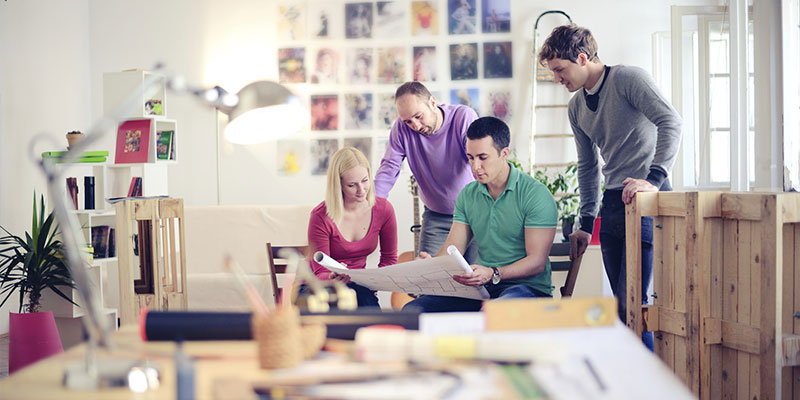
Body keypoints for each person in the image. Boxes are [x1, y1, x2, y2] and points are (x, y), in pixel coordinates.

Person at [539, 25, 682, 348]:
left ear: (582, 57)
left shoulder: (629, 79)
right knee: (619, 308)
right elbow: (588, 166)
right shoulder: (576, 108)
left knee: (632, 304)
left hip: (646, 200)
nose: (557, 79)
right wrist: (585, 224)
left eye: (560, 70)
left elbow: (671, 121)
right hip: (614, 202)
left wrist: (654, 179)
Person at [403, 117, 557, 312]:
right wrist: (430, 266)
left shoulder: (535, 194)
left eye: (483, 158)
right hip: (484, 289)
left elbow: (536, 261)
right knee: (414, 310)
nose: (475, 167)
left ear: (504, 154)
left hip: (529, 290)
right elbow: (453, 247)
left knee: (490, 313)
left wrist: (493, 273)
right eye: (470, 157)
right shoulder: (468, 195)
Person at [374, 81, 478, 264]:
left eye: (418, 116)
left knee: (477, 282)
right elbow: (389, 167)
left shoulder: (463, 117)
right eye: (408, 121)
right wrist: (371, 207)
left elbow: (479, 163)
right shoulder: (401, 128)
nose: (414, 125)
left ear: (432, 102)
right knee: (428, 277)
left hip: (476, 215)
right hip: (437, 217)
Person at [307, 147, 398, 307]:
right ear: (338, 185)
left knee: (370, 313)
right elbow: (319, 272)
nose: (361, 190)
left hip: (357, 285)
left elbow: (389, 259)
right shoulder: (320, 216)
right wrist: (331, 276)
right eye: (352, 185)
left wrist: (376, 282)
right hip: (319, 286)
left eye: (365, 180)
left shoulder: (384, 209)